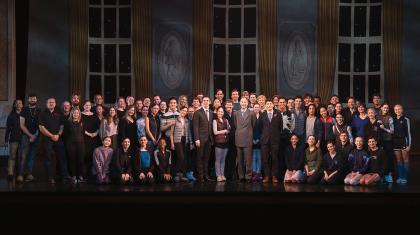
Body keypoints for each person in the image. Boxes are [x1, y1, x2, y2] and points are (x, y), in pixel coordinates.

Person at [38, 98, 69, 184]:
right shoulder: (42, 113)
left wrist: (58, 135)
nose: (51, 104)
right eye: (49, 102)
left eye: (53, 102)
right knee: (48, 159)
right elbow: (41, 128)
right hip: (47, 139)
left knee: (62, 157)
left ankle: (64, 176)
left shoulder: (59, 113)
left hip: (58, 138)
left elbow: (62, 125)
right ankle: (50, 177)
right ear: (46, 104)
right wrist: (51, 136)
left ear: (55, 104)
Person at [18, 94, 41, 183]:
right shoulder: (24, 110)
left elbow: (41, 125)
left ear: (36, 100)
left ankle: (29, 174)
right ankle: (20, 174)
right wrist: (30, 136)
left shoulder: (39, 110)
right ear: (28, 100)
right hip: (25, 136)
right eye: (31, 99)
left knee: (32, 156)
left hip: (36, 136)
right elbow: (21, 125)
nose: (32, 100)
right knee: (23, 156)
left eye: (34, 99)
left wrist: (35, 136)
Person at [233, 97, 256, 183]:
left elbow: (253, 125)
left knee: (248, 159)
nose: (243, 103)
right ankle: (241, 176)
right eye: (242, 102)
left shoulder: (251, 113)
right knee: (240, 159)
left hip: (247, 138)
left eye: (245, 102)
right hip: (239, 138)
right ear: (240, 103)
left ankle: (248, 176)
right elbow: (235, 125)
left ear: (247, 103)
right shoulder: (236, 113)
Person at [260, 100, 283, 183]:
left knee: (275, 158)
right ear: (265, 105)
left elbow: (281, 127)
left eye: (270, 103)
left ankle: (274, 176)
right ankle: (266, 176)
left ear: (273, 105)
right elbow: (260, 127)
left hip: (275, 140)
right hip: (265, 140)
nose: (269, 105)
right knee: (265, 159)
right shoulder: (262, 115)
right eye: (267, 104)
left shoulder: (278, 114)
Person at [193, 97, 214, 182]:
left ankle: (206, 176)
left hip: (209, 139)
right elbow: (195, 127)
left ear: (209, 102)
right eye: (204, 100)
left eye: (207, 101)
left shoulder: (211, 113)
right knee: (199, 158)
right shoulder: (198, 112)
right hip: (200, 139)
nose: (206, 102)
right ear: (202, 102)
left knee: (206, 158)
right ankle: (200, 176)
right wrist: (197, 139)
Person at [170, 106, 193, 182]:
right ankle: (175, 174)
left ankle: (181, 175)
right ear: (180, 111)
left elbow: (189, 132)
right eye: (183, 110)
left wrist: (190, 142)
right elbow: (171, 133)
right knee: (181, 157)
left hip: (185, 140)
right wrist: (172, 143)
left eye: (186, 111)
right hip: (177, 140)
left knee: (184, 158)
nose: (184, 112)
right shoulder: (175, 120)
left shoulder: (187, 121)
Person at [64, 108, 86, 184]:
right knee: (72, 161)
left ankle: (80, 176)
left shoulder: (82, 122)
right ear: (72, 114)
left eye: (77, 113)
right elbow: (65, 134)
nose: (76, 114)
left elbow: (83, 133)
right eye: (74, 113)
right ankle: (73, 176)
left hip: (81, 144)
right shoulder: (68, 122)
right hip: (71, 144)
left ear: (79, 114)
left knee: (80, 161)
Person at [393, 104, 411, 184]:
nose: (397, 111)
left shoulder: (405, 119)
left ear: (402, 110)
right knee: (399, 160)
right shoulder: (392, 119)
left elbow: (408, 133)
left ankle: (405, 177)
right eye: (396, 109)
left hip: (404, 141)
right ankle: (400, 176)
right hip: (395, 142)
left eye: (399, 109)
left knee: (405, 160)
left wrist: (409, 145)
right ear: (394, 111)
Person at [5, 99, 23, 181]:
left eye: (20, 103)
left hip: (23, 139)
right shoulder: (11, 116)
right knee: (12, 156)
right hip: (14, 138)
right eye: (17, 103)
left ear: (22, 105)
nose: (19, 104)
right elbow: (8, 129)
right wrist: (6, 140)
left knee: (21, 157)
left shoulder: (25, 115)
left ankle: (20, 173)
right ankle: (10, 173)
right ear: (15, 105)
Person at [278, 97, 295, 177]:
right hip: (277, 139)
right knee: (279, 157)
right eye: (280, 102)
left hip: (287, 139)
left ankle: (288, 174)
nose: (282, 104)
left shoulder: (290, 114)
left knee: (287, 157)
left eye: (283, 102)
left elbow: (292, 127)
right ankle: (280, 175)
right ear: (278, 103)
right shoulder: (275, 113)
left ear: (286, 103)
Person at [82, 100, 100, 177]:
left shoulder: (94, 115)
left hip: (94, 138)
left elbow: (99, 126)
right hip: (84, 137)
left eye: (89, 105)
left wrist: (95, 133)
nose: (87, 106)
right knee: (84, 156)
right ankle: (83, 174)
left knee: (92, 156)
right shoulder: (80, 114)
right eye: (86, 105)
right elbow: (80, 127)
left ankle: (91, 174)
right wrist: (89, 134)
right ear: (83, 106)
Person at [378, 103, 395, 183]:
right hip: (380, 140)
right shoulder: (378, 117)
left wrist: (384, 128)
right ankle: (382, 175)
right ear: (381, 108)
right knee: (381, 158)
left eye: (387, 108)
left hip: (388, 140)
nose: (386, 109)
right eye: (384, 108)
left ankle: (389, 175)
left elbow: (392, 131)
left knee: (389, 158)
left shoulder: (390, 118)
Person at [213, 106, 230, 182]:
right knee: (218, 160)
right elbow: (215, 132)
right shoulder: (215, 121)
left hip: (226, 142)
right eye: (219, 111)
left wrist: (227, 131)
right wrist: (224, 131)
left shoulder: (226, 120)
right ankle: (218, 175)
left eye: (222, 112)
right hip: (218, 142)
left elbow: (229, 129)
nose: (220, 113)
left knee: (223, 160)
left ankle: (222, 175)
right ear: (217, 112)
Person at [223, 99, 237, 180]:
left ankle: (233, 173)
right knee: (226, 156)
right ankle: (226, 173)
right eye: (227, 105)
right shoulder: (223, 114)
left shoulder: (235, 113)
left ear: (233, 106)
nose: (228, 106)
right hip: (225, 138)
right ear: (225, 106)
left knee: (233, 156)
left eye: (230, 105)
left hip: (234, 138)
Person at [252, 103, 262, 182]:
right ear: (253, 108)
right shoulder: (251, 116)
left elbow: (264, 129)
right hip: (251, 140)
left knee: (259, 157)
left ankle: (258, 173)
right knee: (253, 158)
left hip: (260, 140)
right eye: (255, 107)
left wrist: (259, 139)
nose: (256, 108)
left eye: (257, 107)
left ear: (259, 108)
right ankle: (254, 173)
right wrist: (252, 139)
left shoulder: (262, 117)